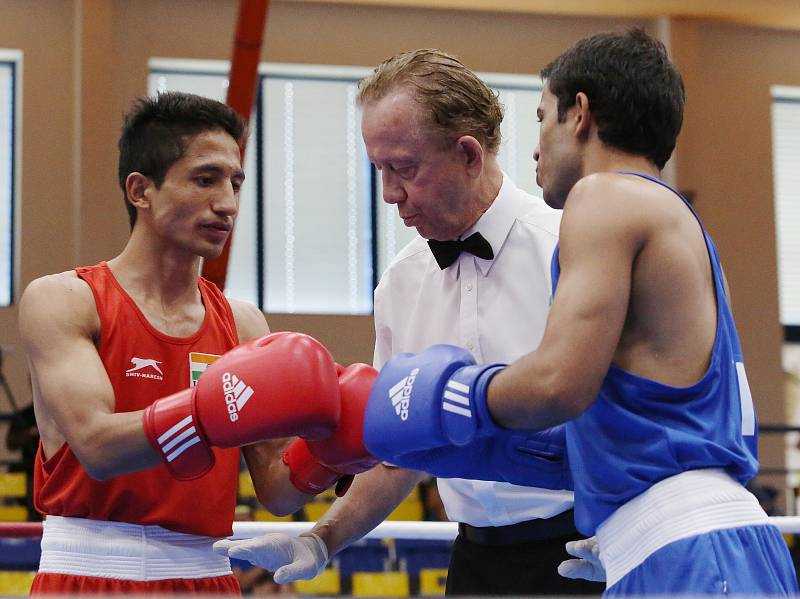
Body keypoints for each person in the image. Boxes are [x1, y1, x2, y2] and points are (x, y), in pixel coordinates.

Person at [363, 29, 799, 595]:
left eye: (543, 116)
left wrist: (443, 396)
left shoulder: (602, 198)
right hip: (696, 536)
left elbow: (558, 385)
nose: (535, 146)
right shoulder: (678, 222)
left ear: (581, 115)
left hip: (686, 546)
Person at [214, 49, 601, 596]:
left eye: (404, 168)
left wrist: (633, 523)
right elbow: (396, 453)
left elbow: (643, 409)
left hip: (592, 551)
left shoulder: (574, 247)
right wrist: (321, 539)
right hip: (475, 561)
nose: (390, 193)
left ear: (468, 153)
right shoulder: (400, 284)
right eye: (379, 169)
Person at [19, 91, 376, 595]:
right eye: (205, 179)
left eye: (235, 182)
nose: (227, 203)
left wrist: (335, 452)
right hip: (90, 573)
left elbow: (275, 489)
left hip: (207, 578)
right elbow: (97, 447)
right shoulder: (66, 300)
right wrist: (209, 411)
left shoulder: (244, 324)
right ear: (141, 190)